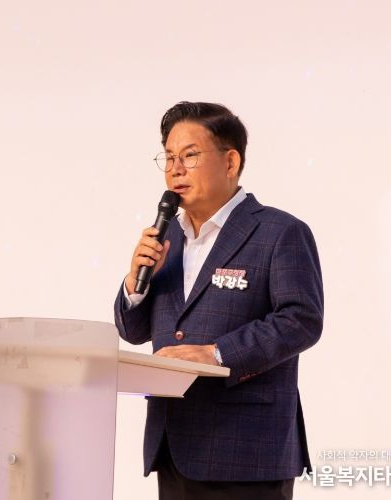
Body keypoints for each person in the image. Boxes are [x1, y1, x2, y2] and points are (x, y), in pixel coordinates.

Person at [114, 102, 323, 500]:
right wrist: (135, 283)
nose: (176, 169)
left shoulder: (279, 232)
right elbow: (134, 331)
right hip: (173, 445)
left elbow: (301, 320)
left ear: (230, 162)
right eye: (169, 157)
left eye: (190, 155)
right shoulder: (166, 237)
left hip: (246, 452)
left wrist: (216, 354)